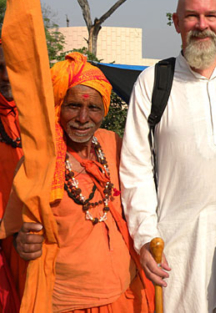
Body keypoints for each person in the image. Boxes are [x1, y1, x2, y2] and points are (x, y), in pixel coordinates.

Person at [120, 0, 216, 312]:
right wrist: (146, 236)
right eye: (191, 16)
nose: (201, 25)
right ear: (176, 22)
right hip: (175, 256)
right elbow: (135, 168)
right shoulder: (154, 82)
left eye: (210, 16)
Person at [14, 53, 153, 312]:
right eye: (73, 106)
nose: (82, 117)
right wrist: (20, 241)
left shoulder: (114, 144)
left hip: (127, 294)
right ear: (58, 107)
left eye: (93, 108)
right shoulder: (39, 161)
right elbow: (14, 229)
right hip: (69, 304)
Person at [0, 39, 23, 312]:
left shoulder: (44, 119)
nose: (6, 76)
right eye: (0, 68)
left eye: (13, 68)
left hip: (30, 246)